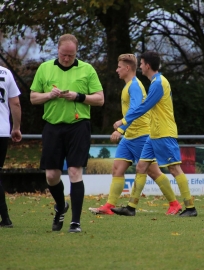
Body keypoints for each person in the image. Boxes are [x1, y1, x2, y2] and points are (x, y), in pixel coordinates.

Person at [88, 53, 181, 216]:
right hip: (129, 136)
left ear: (127, 68)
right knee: (117, 169)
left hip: (141, 135)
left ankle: (175, 204)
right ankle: (109, 206)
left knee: (153, 172)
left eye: (119, 67)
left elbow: (136, 109)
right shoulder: (128, 85)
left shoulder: (135, 85)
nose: (116, 70)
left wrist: (121, 128)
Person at [30, 34, 104, 232]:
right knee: (52, 176)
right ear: (58, 51)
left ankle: (75, 222)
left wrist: (78, 96)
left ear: (76, 53)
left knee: (74, 172)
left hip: (78, 126)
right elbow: (33, 98)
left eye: (71, 56)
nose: (66, 58)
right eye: (64, 55)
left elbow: (99, 99)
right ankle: (61, 206)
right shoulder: (45, 68)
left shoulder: (87, 69)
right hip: (52, 127)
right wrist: (49, 95)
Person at [111, 51, 197, 217]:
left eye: (142, 63)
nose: (140, 66)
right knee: (141, 167)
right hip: (154, 133)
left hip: (164, 132)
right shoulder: (156, 82)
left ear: (147, 66)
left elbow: (144, 107)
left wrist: (123, 122)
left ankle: (190, 207)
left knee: (174, 169)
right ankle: (130, 207)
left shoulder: (158, 83)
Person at [0, 66, 22, 228]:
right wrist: (16, 128)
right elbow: (15, 103)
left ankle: (6, 219)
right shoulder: (6, 73)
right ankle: (5, 218)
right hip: (2, 130)